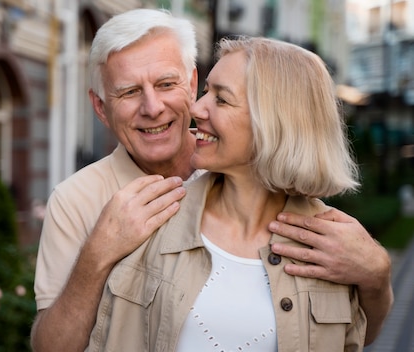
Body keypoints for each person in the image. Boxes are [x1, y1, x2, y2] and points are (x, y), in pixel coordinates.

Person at [31, 9, 392, 352]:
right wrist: (98, 253)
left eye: (166, 83)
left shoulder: (314, 230)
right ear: (100, 108)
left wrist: (376, 274)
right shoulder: (84, 203)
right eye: (129, 92)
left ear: (190, 83)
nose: (153, 107)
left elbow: (353, 333)